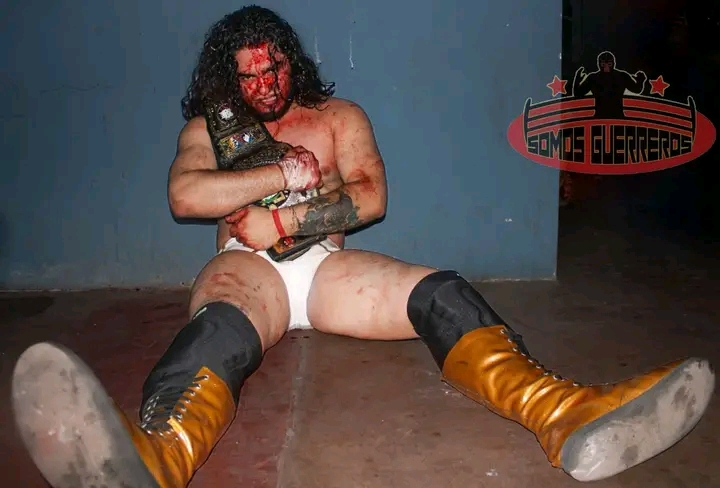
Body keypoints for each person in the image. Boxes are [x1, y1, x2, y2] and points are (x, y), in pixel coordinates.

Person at [11, 6, 714, 487]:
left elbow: (372, 198)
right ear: (228, 78)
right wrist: (279, 176)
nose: (264, 85)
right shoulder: (206, 130)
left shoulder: (339, 117)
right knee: (219, 329)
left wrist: (285, 221)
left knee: (439, 291)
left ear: (292, 61)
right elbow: (185, 196)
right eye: (248, 75)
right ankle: (157, 459)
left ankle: (563, 414)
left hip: (325, 269)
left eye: (273, 68)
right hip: (245, 272)